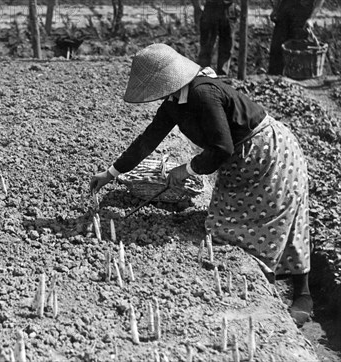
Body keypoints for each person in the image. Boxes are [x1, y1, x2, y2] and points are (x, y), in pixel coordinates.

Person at [90, 44, 312, 326]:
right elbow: (147, 141)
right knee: (225, 224)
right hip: (239, 160)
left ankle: (300, 294)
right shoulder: (173, 104)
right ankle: (268, 284)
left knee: (277, 217)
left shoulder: (203, 93)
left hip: (267, 153)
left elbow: (221, 148)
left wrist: (188, 168)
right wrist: (110, 173)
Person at [268, 0, 325, 75]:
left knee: (298, 54)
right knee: (277, 49)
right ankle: (274, 78)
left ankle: (296, 82)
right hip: (284, 9)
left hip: (302, 14)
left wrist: (311, 18)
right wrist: (276, 9)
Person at [197, 0, 239, 76]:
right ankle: (203, 76)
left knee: (226, 45)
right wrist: (197, 6)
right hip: (210, 6)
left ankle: (222, 75)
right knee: (206, 45)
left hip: (228, 6)